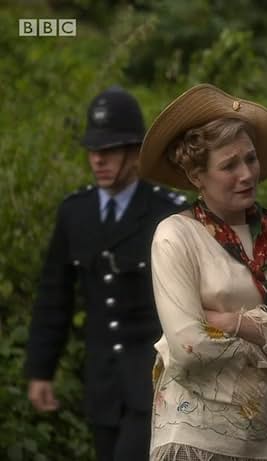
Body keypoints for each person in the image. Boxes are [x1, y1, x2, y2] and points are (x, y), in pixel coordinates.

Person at [138, 84, 267, 461]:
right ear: (197, 175)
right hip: (201, 442)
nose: (247, 174)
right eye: (229, 165)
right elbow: (189, 347)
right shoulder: (176, 235)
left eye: (251, 159)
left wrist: (230, 321)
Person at [24, 86, 186, 461]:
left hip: (155, 379)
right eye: (93, 150)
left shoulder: (166, 212)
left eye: (110, 150)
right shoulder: (75, 213)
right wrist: (40, 370)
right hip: (102, 383)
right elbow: (54, 297)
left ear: (135, 152)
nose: (98, 160)